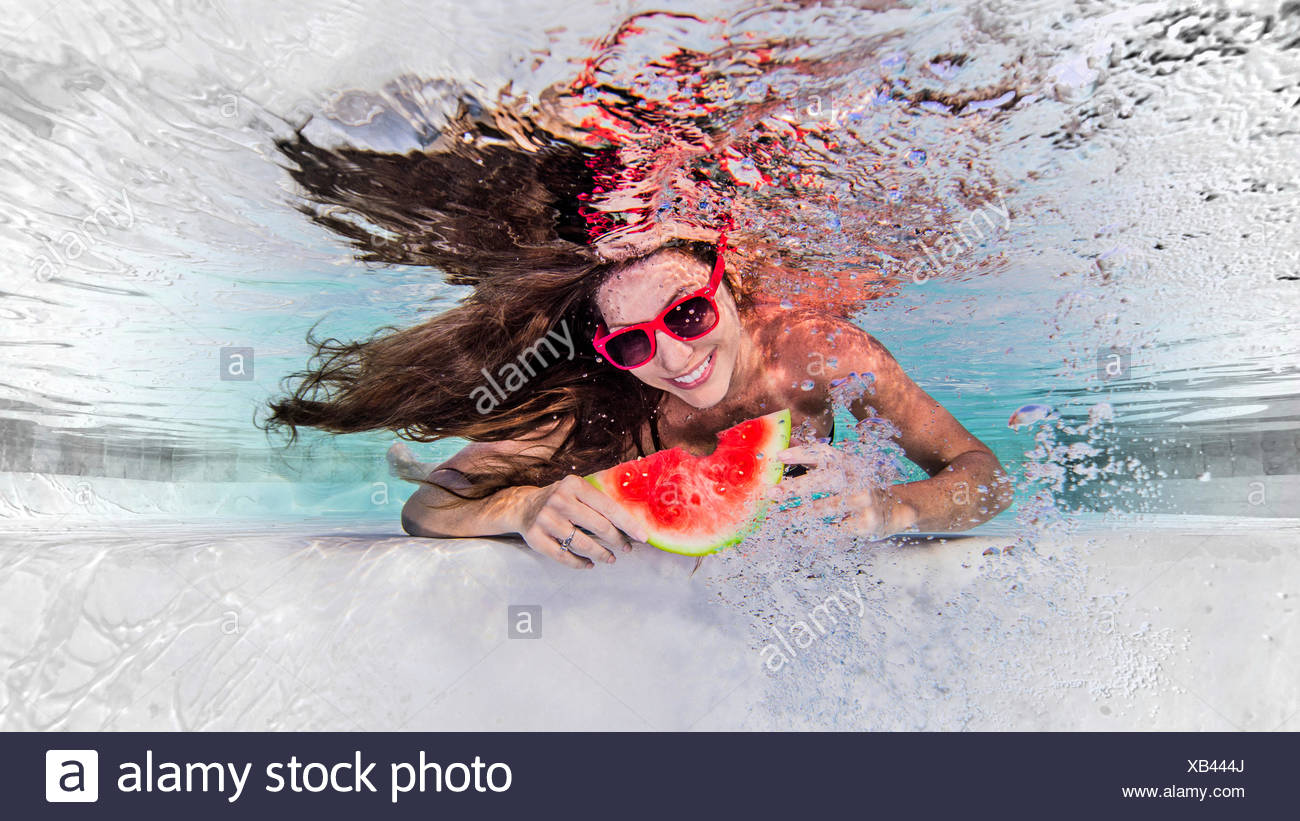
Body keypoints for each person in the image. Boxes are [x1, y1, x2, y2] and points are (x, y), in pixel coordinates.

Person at [266, 95, 1013, 569]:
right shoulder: (605, 399)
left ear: (732, 284)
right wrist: (523, 504)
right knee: (426, 469)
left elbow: (985, 475)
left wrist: (896, 507)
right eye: (633, 343)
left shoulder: (817, 353)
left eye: (688, 314)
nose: (676, 358)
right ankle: (406, 455)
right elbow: (427, 510)